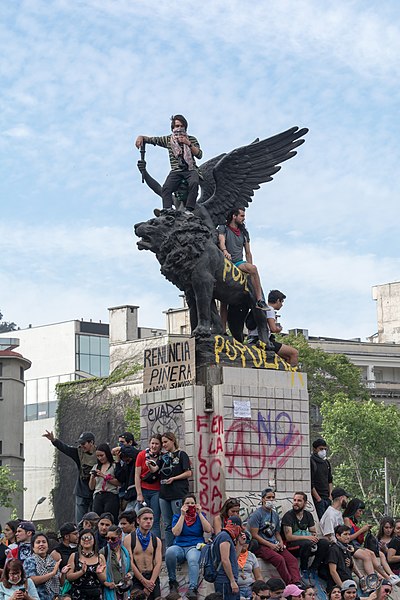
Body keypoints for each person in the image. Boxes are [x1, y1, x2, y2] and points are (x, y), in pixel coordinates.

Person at [135, 115, 202, 212]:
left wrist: (188, 143)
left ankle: (189, 209)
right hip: (176, 170)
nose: (179, 128)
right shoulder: (168, 140)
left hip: (190, 169)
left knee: (194, 183)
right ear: (173, 128)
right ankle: (167, 210)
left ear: (185, 127)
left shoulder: (191, 139)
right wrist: (141, 137)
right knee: (166, 188)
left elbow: (199, 154)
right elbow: (152, 140)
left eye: (181, 126)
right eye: (177, 126)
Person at [218, 207, 268, 317]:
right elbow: (222, 241)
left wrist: (249, 266)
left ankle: (259, 299)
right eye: (242, 216)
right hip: (226, 263)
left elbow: (248, 252)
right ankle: (222, 330)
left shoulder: (244, 233)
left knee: (253, 269)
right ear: (234, 216)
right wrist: (225, 251)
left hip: (239, 263)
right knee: (223, 303)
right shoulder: (223, 228)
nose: (243, 218)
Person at [247, 488, 301, 585]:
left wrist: (280, 542)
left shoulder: (275, 515)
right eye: (268, 497)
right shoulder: (257, 515)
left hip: (274, 544)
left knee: (292, 560)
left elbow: (277, 533)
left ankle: (297, 582)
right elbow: (254, 535)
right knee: (279, 560)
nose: (271, 500)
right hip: (261, 546)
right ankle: (290, 584)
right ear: (263, 499)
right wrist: (270, 545)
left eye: (272, 497)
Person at [43, 430, 97, 523]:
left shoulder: (100, 453)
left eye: (84, 443)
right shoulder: (78, 453)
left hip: (96, 491)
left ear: (91, 442)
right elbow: (65, 448)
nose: (81, 446)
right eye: (80, 443)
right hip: (81, 491)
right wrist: (53, 440)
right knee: (80, 522)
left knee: (95, 521)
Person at [165, 494, 212, 599]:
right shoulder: (177, 516)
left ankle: (192, 588)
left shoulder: (201, 515)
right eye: (187, 503)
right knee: (169, 552)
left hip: (194, 546)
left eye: (192, 503)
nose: (190, 505)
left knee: (193, 559)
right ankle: (172, 582)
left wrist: (199, 514)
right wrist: (182, 515)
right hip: (179, 546)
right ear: (182, 505)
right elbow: (176, 533)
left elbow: (208, 529)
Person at [343, 499, 399, 583]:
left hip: (357, 545)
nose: (360, 513)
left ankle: (388, 576)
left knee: (373, 553)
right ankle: (372, 578)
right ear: (353, 509)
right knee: (367, 556)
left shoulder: (353, 521)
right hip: (351, 546)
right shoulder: (347, 520)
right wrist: (362, 530)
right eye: (359, 511)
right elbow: (348, 538)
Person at [281, 491, 329, 581]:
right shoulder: (288, 516)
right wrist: (307, 537)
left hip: (305, 545)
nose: (296, 502)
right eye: (294, 500)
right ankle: (304, 570)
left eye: (299, 500)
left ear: (305, 503)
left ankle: (313, 568)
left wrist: (313, 537)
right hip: (292, 546)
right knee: (306, 543)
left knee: (324, 543)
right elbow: (289, 537)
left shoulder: (308, 515)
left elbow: (313, 531)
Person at [156, 432, 192, 548]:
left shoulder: (181, 454)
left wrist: (174, 478)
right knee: (167, 524)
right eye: (162, 443)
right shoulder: (163, 457)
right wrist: (150, 464)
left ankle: (179, 546)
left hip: (177, 493)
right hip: (164, 494)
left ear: (172, 441)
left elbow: (188, 472)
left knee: (177, 521)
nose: (164, 445)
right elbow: (155, 470)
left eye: (166, 442)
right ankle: (169, 548)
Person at [124, 507, 162, 600]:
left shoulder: (156, 540)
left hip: (152, 578)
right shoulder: (129, 539)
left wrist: (151, 583)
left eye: (151, 519)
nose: (148, 521)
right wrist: (143, 581)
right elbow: (130, 562)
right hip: (137, 578)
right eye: (145, 519)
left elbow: (158, 563)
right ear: (138, 520)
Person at [134, 435, 162, 538]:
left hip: (157, 490)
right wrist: (139, 494)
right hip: (144, 489)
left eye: (157, 444)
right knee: (142, 519)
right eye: (152, 443)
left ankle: (155, 546)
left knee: (154, 521)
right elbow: (137, 475)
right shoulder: (141, 455)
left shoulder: (162, 457)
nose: (154, 446)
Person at [66, 528, 106, 600]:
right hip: (78, 594)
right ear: (80, 541)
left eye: (89, 538)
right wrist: (81, 572)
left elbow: (104, 579)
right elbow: (69, 577)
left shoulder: (100, 557)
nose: (86, 540)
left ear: (94, 540)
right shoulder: (74, 556)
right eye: (84, 538)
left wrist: (99, 573)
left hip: (95, 595)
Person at [264, 291, 298, 367]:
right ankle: (293, 375)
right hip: (264, 341)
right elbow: (273, 329)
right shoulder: (270, 309)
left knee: (286, 356)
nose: (282, 305)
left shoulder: (262, 308)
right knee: (294, 353)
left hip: (255, 338)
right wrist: (279, 329)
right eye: (282, 302)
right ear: (277, 300)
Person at [213, 516, 243, 600]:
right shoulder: (224, 537)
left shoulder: (225, 536)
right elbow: (225, 560)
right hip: (225, 581)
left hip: (227, 581)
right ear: (236, 526)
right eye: (240, 529)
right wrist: (232, 581)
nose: (240, 532)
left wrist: (240, 544)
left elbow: (233, 559)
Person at [89, 443, 121, 524]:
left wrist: (103, 476)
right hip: (98, 495)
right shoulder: (96, 467)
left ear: (107, 454)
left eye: (102, 455)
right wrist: (92, 477)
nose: (100, 458)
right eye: (98, 456)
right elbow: (91, 487)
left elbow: (119, 483)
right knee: (97, 520)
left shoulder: (114, 466)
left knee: (111, 519)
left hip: (111, 495)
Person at [23, 534, 61, 600]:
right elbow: (32, 580)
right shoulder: (29, 561)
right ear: (33, 547)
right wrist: (52, 573)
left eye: (44, 542)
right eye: (38, 542)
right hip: (38, 597)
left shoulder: (52, 561)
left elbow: (60, 582)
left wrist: (63, 573)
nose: (41, 544)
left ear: (48, 546)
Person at [99, 525, 131, 600]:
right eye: (107, 538)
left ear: (120, 537)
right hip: (109, 591)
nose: (109, 541)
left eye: (113, 539)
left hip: (124, 591)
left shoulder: (125, 553)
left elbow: (131, 570)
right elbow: (98, 573)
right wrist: (106, 583)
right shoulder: (104, 552)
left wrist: (129, 575)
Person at [310, 438, 333, 519]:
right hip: (318, 499)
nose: (323, 451)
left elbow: (330, 480)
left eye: (325, 449)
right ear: (315, 449)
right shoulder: (312, 462)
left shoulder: (326, 462)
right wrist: (318, 499)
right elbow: (311, 483)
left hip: (327, 498)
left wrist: (330, 496)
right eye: (321, 449)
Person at [236, 531, 263, 599]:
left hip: (250, 588)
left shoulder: (251, 556)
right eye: (243, 540)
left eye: (247, 541)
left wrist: (260, 588)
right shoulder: (232, 554)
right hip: (236, 588)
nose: (245, 543)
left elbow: (258, 576)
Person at [114, 445, 139, 512]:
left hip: (138, 494)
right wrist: (117, 463)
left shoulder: (137, 459)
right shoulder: (126, 465)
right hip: (130, 496)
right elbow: (120, 477)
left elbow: (135, 452)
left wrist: (120, 449)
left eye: (128, 460)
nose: (127, 462)